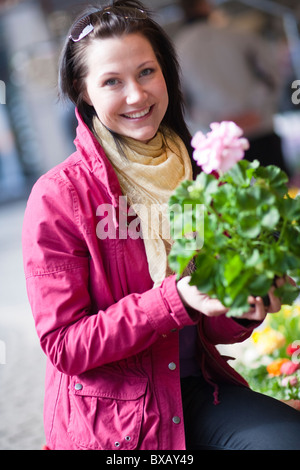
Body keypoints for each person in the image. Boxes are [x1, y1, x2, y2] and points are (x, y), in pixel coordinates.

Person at [22, 0, 300, 451]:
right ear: (84, 90)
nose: (137, 95)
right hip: (112, 419)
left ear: (166, 73)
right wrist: (176, 299)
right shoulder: (59, 197)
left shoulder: (204, 176)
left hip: (196, 390)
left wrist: (239, 310)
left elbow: (210, 326)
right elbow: (65, 346)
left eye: (146, 72)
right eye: (112, 81)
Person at [175, 0, 291, 176]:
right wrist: (255, 110)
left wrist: (217, 123)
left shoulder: (177, 49)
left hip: (219, 145)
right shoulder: (238, 34)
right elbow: (272, 75)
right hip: (259, 129)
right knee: (280, 194)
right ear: (206, 5)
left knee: (236, 200)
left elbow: (181, 103)